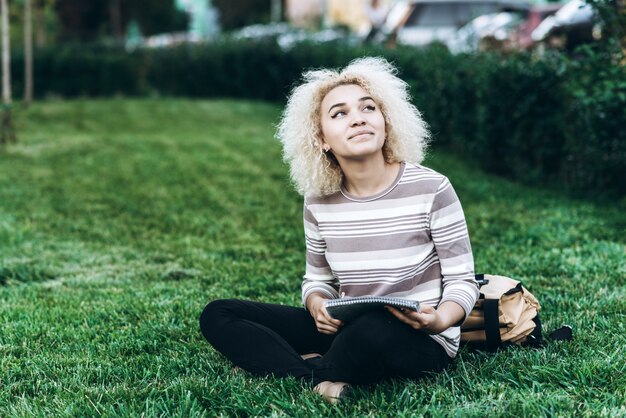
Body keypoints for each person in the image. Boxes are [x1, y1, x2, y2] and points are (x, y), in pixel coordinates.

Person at [199, 57, 479, 404]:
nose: (358, 117)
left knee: (373, 327)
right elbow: (317, 280)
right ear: (322, 141)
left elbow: (461, 280)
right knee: (219, 314)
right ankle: (318, 376)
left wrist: (440, 320)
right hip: (347, 329)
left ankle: (284, 366)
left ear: (386, 122)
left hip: (419, 339)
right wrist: (317, 305)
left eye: (368, 108)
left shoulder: (432, 188)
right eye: (339, 113)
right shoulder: (319, 200)